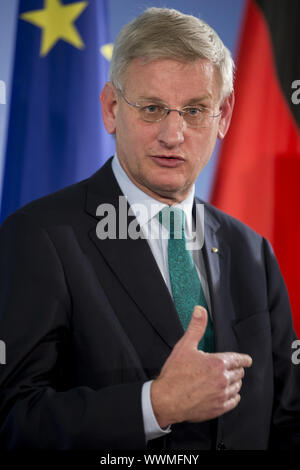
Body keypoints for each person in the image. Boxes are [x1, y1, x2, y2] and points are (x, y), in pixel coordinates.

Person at [0, 7, 299, 451]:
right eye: (153, 108)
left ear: (224, 117)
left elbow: (287, 418)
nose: (173, 134)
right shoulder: (39, 237)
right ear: (111, 108)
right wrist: (153, 405)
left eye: (195, 110)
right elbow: (12, 421)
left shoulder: (251, 250)